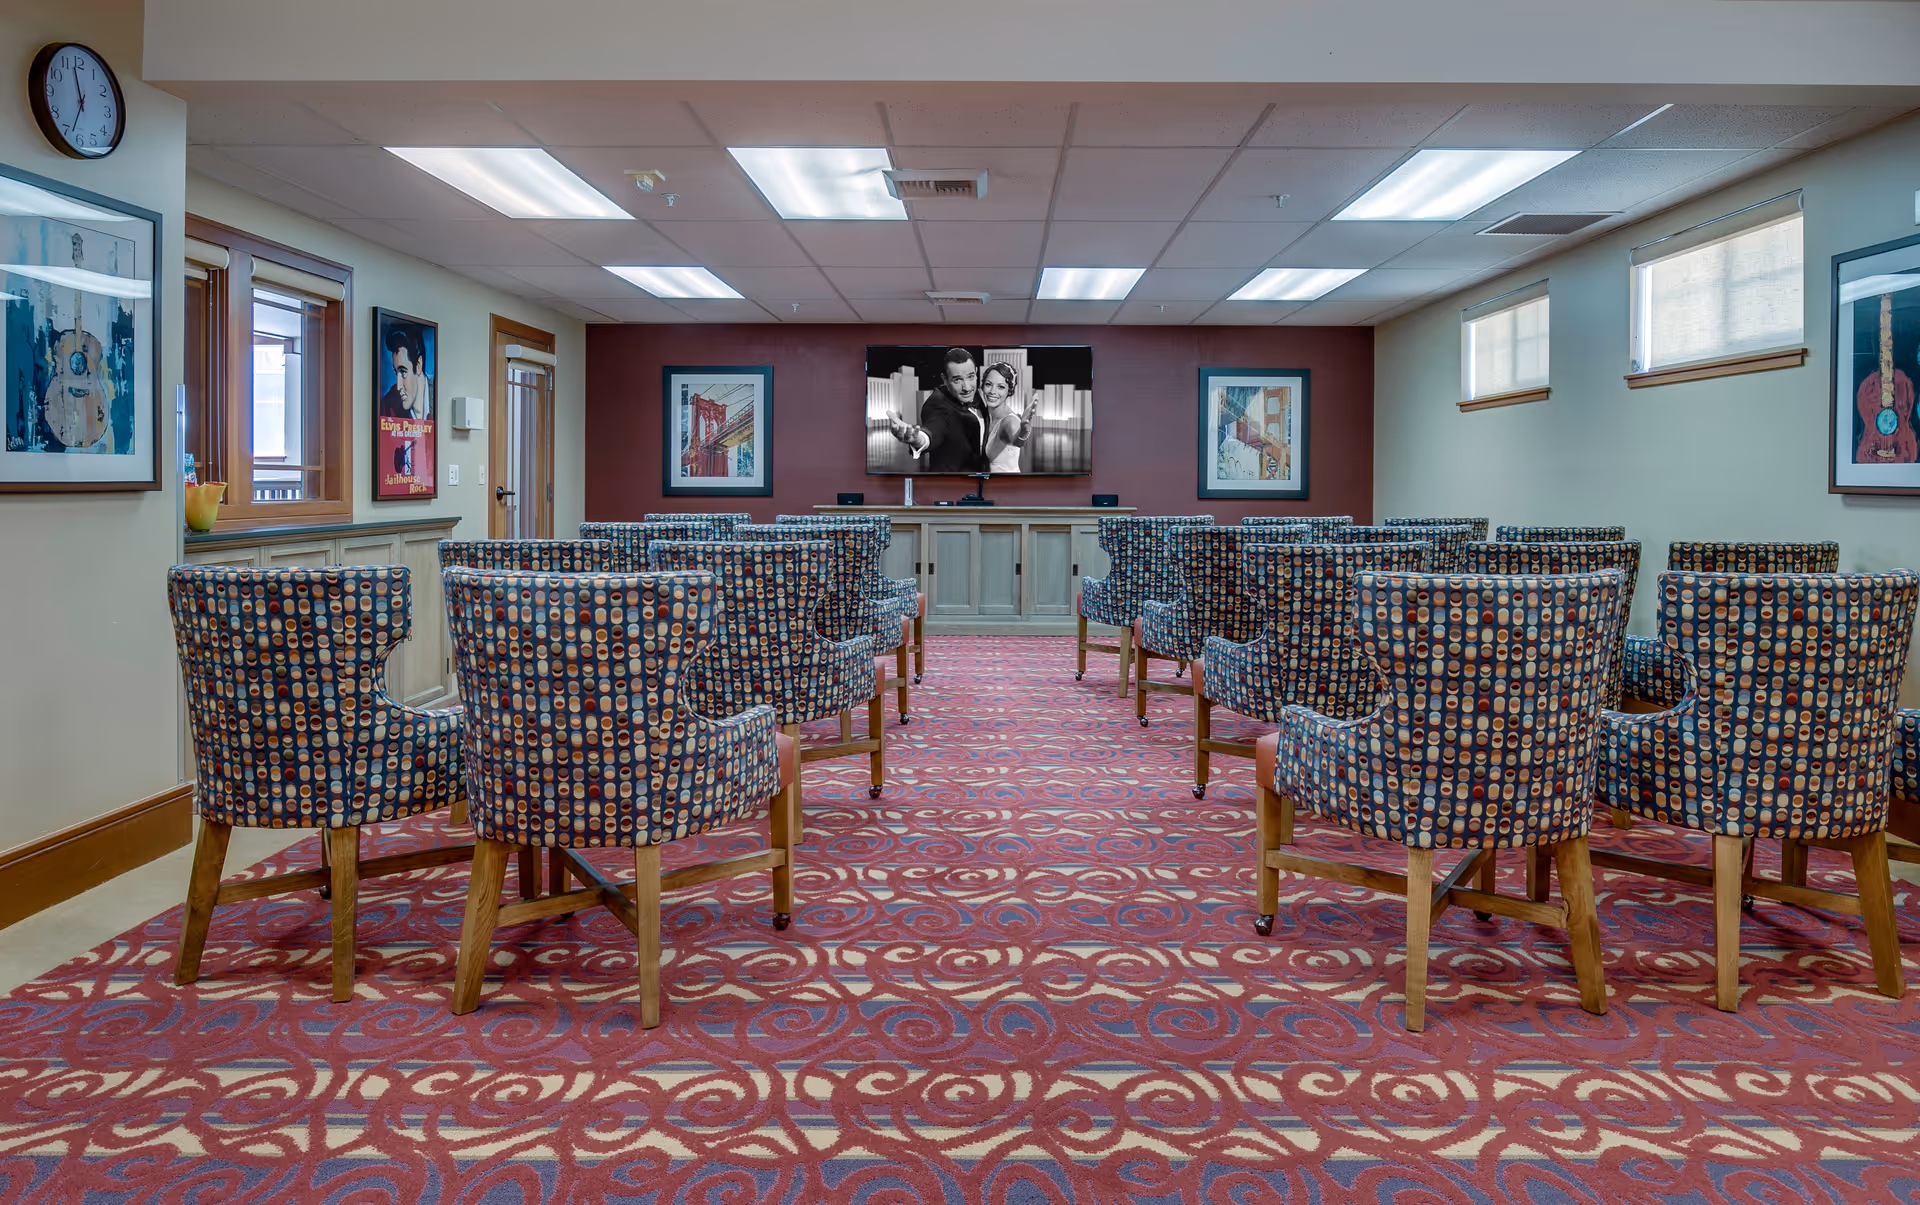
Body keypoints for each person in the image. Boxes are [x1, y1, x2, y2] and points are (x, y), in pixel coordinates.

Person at [887, 348, 989, 473]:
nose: (967, 387)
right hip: (949, 485)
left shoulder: (979, 394)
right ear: (944, 379)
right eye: (957, 380)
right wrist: (919, 439)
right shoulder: (936, 404)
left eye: (970, 377)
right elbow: (934, 429)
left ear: (976, 372)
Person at [979, 361, 1032, 474]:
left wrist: (1023, 432)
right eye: (988, 384)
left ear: (1009, 391)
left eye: (1001, 387)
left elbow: (1017, 441)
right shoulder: (985, 416)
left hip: (1008, 487)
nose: (993, 391)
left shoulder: (1010, 421)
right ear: (982, 386)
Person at [378, 326, 430, 422]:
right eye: (396, 373)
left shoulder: (439, 395)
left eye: (403, 372)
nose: (399, 386)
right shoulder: (388, 404)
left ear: (419, 365)